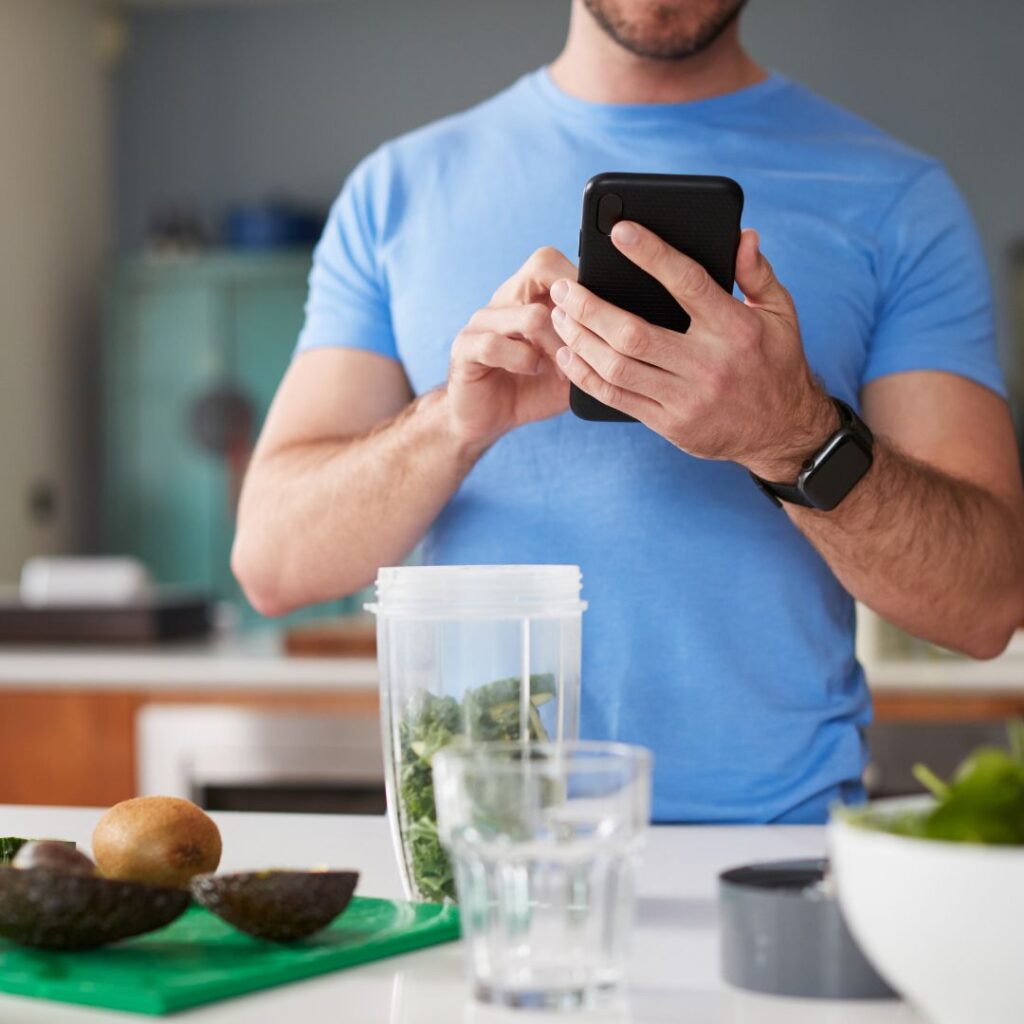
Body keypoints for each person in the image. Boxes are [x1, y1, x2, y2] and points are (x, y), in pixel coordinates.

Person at [232, 0, 1024, 823]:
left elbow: (986, 605)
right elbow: (274, 562)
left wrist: (792, 433)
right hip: (484, 857)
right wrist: (451, 424)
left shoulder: (898, 200)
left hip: (771, 856)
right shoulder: (396, 194)